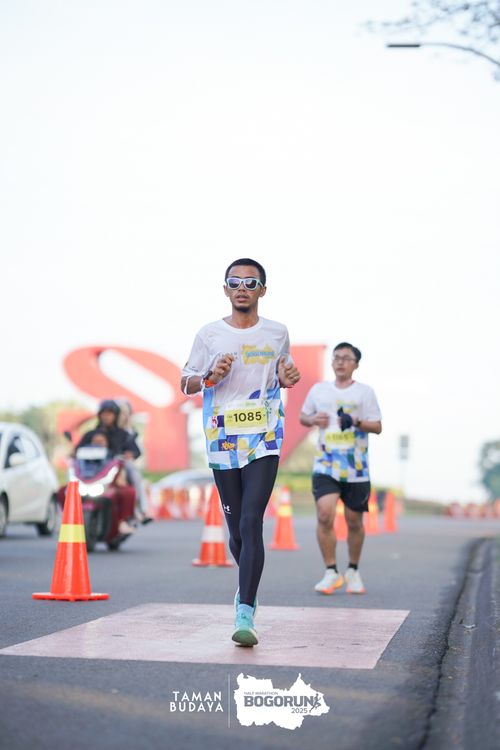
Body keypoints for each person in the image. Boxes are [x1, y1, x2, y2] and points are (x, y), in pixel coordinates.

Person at [181, 258, 300, 647]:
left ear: (263, 290)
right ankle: (246, 584)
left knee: (252, 522)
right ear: (225, 289)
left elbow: (283, 373)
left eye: (250, 282)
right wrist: (209, 376)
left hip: (264, 435)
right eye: (235, 282)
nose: (242, 288)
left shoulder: (277, 332)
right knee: (236, 534)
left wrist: (287, 377)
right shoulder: (210, 334)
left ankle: (245, 610)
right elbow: (186, 382)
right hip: (223, 437)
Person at [300, 342, 382, 595]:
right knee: (324, 515)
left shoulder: (365, 393)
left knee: (354, 521)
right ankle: (331, 571)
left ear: (356, 364)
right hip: (326, 464)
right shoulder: (319, 390)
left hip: (356, 467)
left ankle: (353, 570)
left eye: (346, 358)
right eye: (336, 357)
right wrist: (313, 419)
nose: (340, 362)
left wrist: (356, 421)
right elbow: (303, 417)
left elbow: (377, 426)